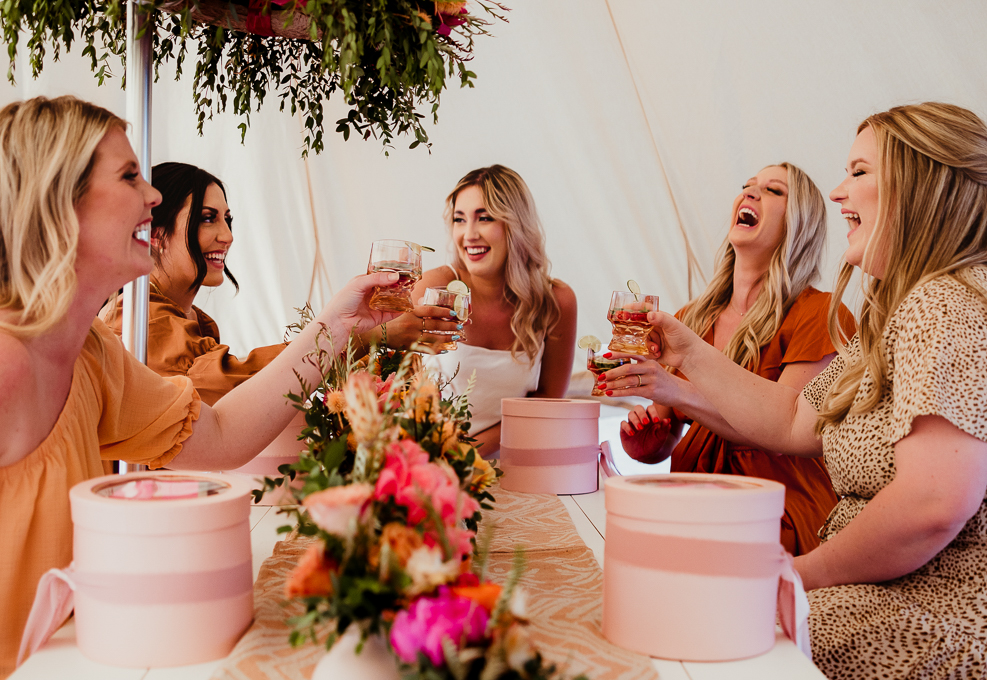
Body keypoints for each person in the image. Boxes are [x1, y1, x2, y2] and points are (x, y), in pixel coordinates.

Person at [0, 97, 402, 680]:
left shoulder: (88, 353)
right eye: (128, 178)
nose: (152, 197)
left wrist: (337, 329)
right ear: (54, 200)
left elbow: (224, 436)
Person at [630, 104, 987, 680]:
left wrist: (797, 578)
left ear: (916, 184)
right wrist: (686, 349)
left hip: (933, 618)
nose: (838, 192)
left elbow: (934, 503)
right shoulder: (897, 306)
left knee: (707, 645)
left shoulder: (946, 304)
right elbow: (795, 421)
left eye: (857, 171)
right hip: (883, 589)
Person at [611, 162, 853, 554]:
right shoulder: (693, 316)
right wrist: (645, 439)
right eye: (748, 185)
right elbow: (663, 438)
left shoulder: (823, 314)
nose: (750, 193)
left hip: (777, 509)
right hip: (694, 495)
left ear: (800, 225)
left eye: (774, 191)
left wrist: (676, 389)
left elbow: (784, 432)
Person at [106, 162, 456, 404]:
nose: (227, 236)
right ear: (153, 231)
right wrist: (363, 336)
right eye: (207, 219)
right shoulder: (140, 319)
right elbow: (229, 386)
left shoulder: (189, 320)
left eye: (228, 220)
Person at [412, 165, 577, 457]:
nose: (469, 234)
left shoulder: (556, 301)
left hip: (509, 459)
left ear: (515, 224)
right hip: (426, 457)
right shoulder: (436, 287)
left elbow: (547, 402)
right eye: (459, 220)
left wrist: (465, 456)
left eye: (484, 218)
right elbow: (394, 379)